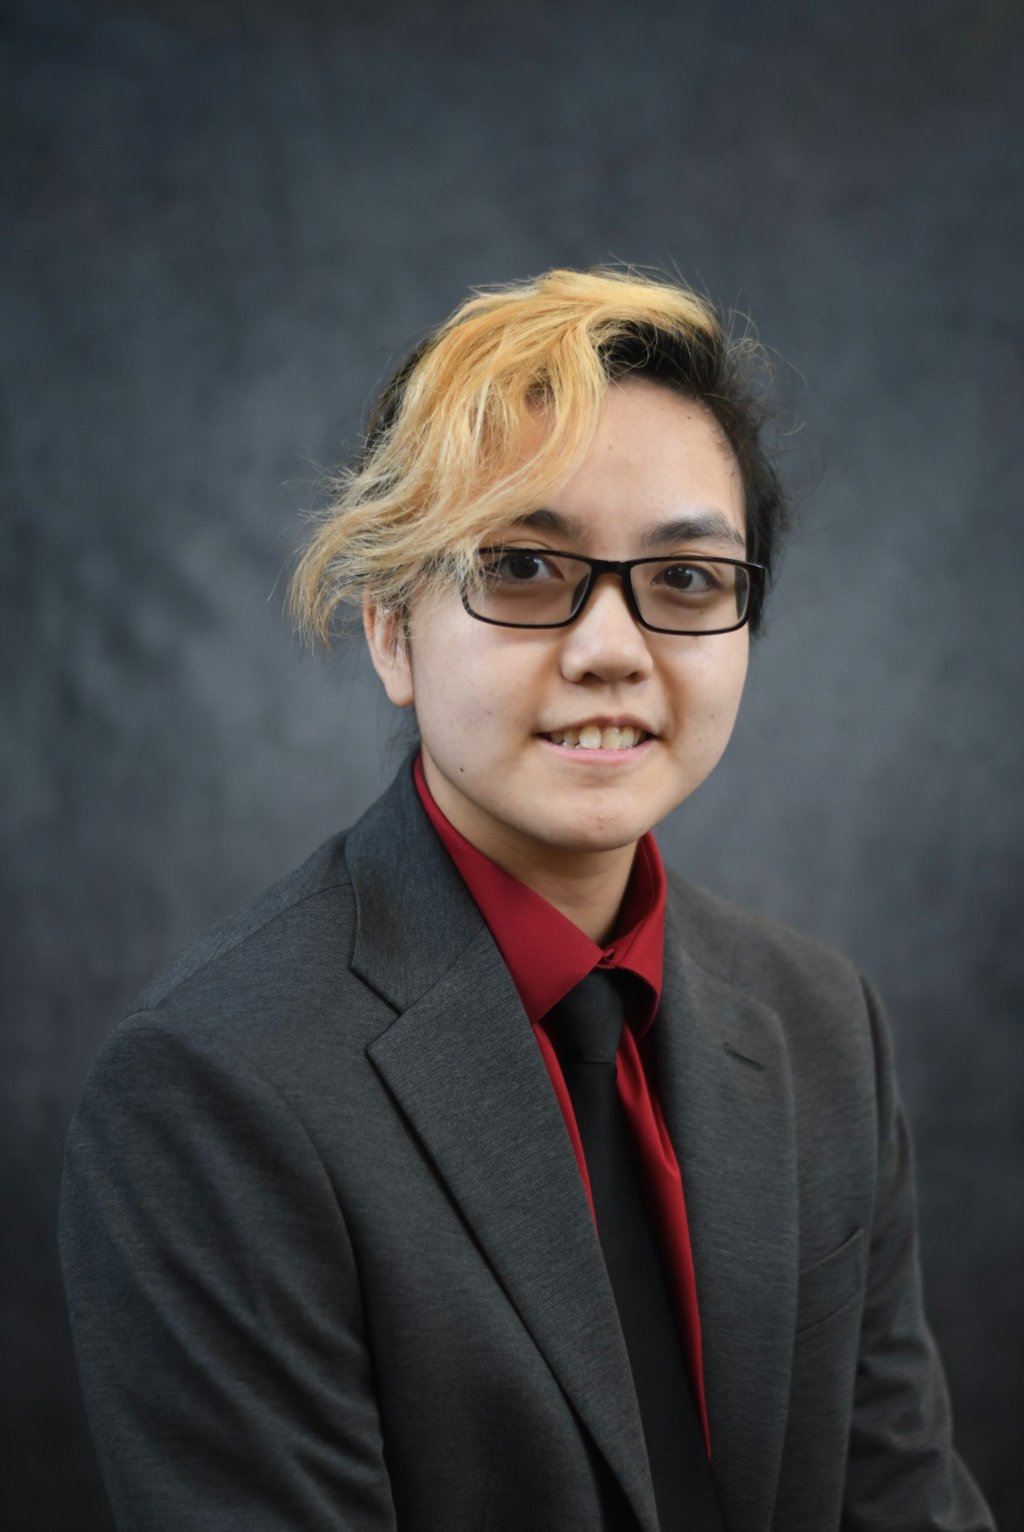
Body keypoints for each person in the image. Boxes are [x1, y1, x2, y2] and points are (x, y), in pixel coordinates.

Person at [60, 267, 995, 1531]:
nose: (612, 648)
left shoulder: (820, 1022)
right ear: (390, 628)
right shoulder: (211, 1089)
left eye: (686, 578)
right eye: (521, 565)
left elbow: (900, 1496)